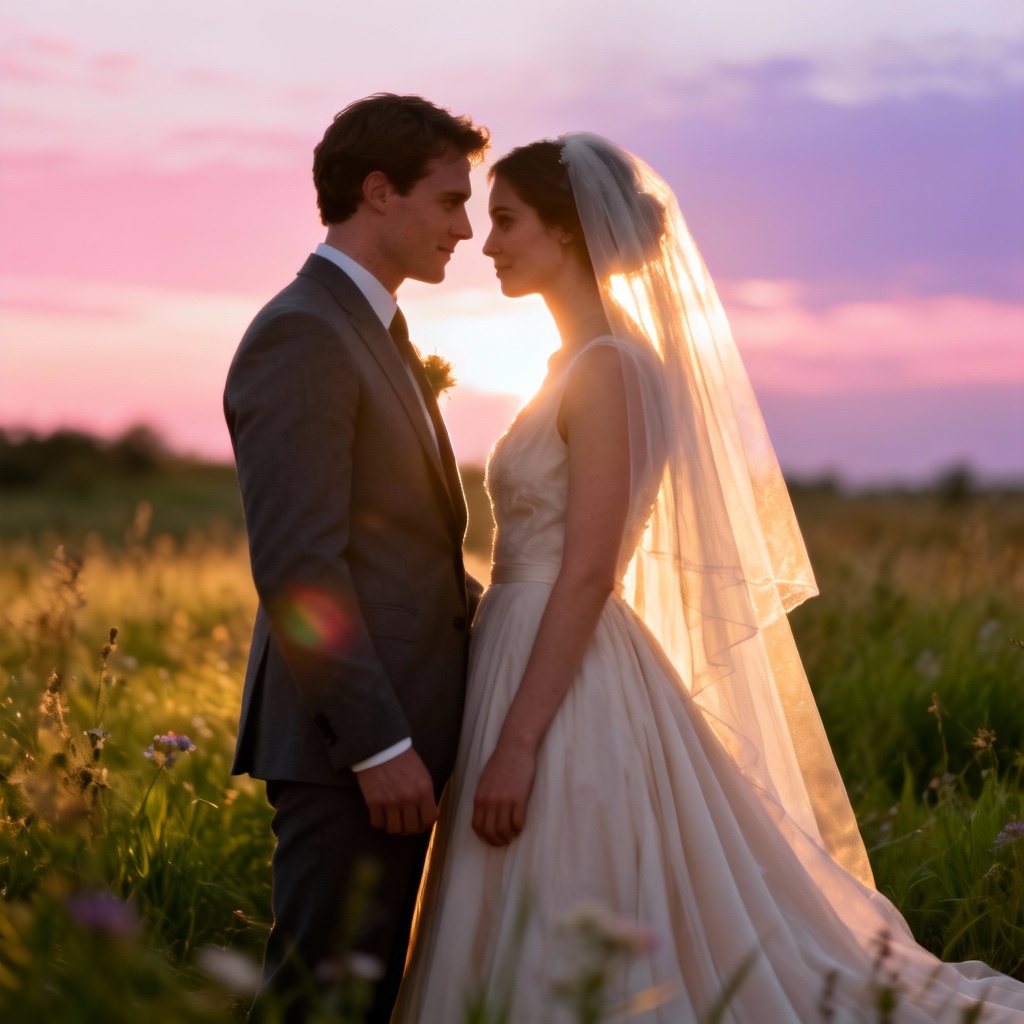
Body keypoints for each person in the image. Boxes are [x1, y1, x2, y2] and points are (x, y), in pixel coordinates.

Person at [391, 134, 1024, 1021]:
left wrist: (520, 743)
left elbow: (590, 574)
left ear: (568, 233)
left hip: (562, 677)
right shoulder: (570, 364)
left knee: (565, 876)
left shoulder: (611, 368)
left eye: (505, 221)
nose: (486, 243)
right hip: (517, 651)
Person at [223, 93, 488, 1023]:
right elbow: (300, 566)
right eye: (450, 200)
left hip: (399, 738)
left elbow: (397, 546)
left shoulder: (375, 328)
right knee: (318, 1000)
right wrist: (378, 744)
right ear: (378, 192)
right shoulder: (304, 332)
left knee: (358, 997)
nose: (467, 226)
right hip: (353, 750)